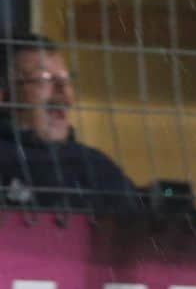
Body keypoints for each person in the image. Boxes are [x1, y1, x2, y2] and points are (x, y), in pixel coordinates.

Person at [0, 33, 140, 212]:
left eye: (66, 79)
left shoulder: (97, 168)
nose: (63, 92)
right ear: (4, 96)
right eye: (44, 79)